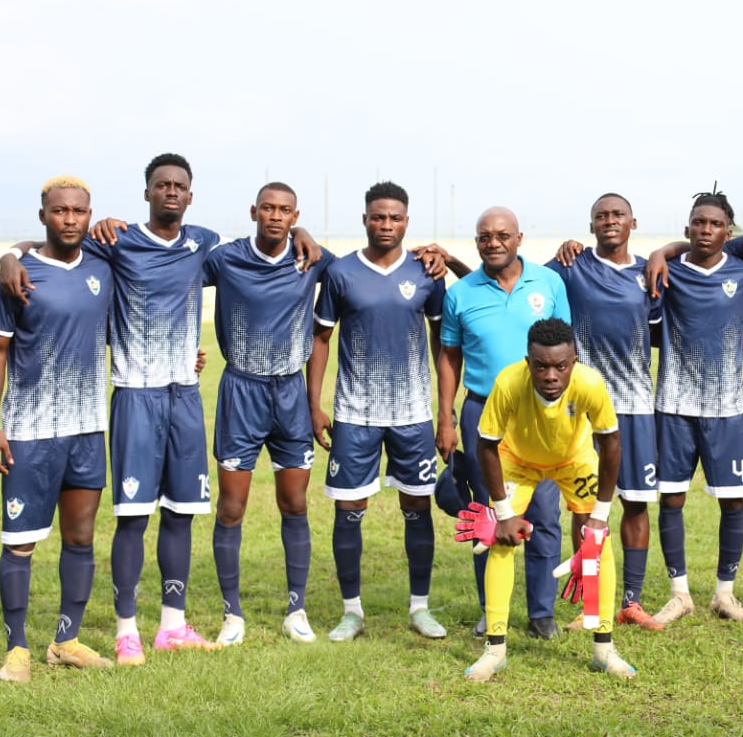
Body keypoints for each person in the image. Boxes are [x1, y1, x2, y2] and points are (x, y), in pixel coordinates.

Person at [0, 153, 322, 665]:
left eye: (179, 185)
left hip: (185, 396)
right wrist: (9, 255)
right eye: (162, 184)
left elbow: (264, 242)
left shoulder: (204, 244)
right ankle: (126, 631)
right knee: (133, 516)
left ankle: (172, 625)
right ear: (147, 192)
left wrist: (300, 230)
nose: (171, 191)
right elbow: (53, 246)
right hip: (135, 395)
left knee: (182, 512)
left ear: (190, 197)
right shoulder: (116, 241)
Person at [0, 175, 113, 682]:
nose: (70, 219)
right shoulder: (17, 274)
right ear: (44, 217)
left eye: (78, 211)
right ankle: (16, 649)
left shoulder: (102, 268)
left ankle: (65, 640)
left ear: (89, 214)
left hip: (87, 428)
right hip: (30, 431)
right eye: (60, 211)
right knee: (21, 542)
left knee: (80, 538)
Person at [307, 181, 448, 641]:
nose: (386, 224)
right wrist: (314, 404)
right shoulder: (342, 272)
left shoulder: (427, 272)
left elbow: (442, 341)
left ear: (407, 222)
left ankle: (420, 608)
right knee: (349, 510)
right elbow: (321, 338)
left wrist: (445, 413)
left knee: (417, 507)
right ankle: (351, 612)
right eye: (378, 217)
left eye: (395, 218)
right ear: (365, 219)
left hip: (412, 413)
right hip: (355, 414)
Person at [464, 319, 636, 681]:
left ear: (574, 361)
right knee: (500, 539)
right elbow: (486, 445)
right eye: (541, 366)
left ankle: (603, 649)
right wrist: (503, 513)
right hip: (518, 461)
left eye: (560, 366)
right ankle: (495, 650)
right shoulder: (508, 383)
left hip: (573, 459)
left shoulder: (590, 384)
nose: (551, 376)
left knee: (596, 541)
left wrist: (601, 514)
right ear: (528, 362)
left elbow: (611, 443)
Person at [205, 182, 334, 647]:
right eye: (268, 208)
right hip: (241, 389)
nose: (276, 216)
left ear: (295, 215)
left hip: (291, 394)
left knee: (295, 503)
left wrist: (307, 235)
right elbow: (170, 274)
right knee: (232, 507)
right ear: (254, 212)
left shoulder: (310, 259)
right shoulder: (226, 258)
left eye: (285, 211)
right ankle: (232, 614)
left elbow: (361, 274)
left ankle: (296, 610)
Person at [436, 207, 569, 639]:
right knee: (488, 514)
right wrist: (446, 417)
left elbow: (566, 350)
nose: (493, 243)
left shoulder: (549, 283)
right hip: (482, 413)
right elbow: (449, 357)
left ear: (519, 238)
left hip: (540, 415)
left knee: (544, 512)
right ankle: (490, 608)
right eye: (484, 237)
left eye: (502, 235)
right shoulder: (460, 294)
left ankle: (541, 612)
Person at [548, 194, 664, 631]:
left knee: (635, 503)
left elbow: (660, 332)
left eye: (617, 215)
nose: (609, 221)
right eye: (601, 216)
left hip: (635, 406)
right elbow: (520, 281)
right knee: (585, 507)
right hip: (582, 408)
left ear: (633, 222)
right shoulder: (572, 266)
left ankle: (631, 602)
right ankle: (591, 604)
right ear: (591, 225)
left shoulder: (648, 273)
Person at [647, 189, 743, 625]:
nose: (706, 230)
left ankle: (724, 594)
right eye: (699, 222)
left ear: (728, 232)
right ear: (687, 228)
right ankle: (679, 594)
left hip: (727, 408)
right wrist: (661, 252)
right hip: (675, 404)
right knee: (671, 498)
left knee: (732, 503)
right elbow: (652, 329)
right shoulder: (668, 272)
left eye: (715, 224)